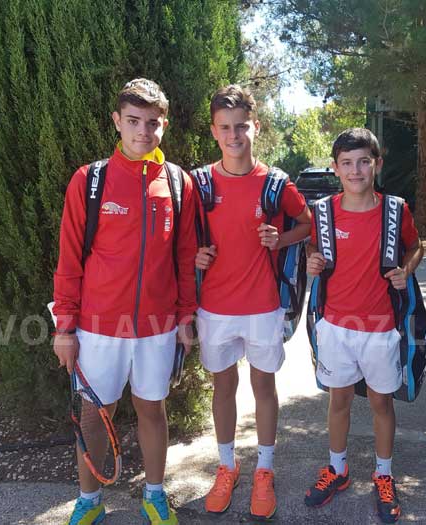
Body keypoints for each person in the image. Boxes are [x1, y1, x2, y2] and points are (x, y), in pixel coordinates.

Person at [52, 78, 197, 525]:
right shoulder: (89, 180)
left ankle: (154, 495)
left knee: (152, 409)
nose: (143, 131)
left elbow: (186, 257)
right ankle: (89, 500)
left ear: (164, 125)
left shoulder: (178, 183)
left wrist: (185, 317)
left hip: (157, 326)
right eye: (133, 121)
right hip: (98, 327)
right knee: (95, 415)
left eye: (152, 122)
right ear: (117, 121)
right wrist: (65, 328)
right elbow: (69, 258)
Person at [194, 85, 311, 520]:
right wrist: (194, 256)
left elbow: (308, 224)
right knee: (223, 387)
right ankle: (227, 466)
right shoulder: (200, 183)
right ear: (213, 131)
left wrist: (282, 238)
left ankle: (264, 469)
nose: (234, 135)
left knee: (264, 387)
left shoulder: (276, 183)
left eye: (241, 126)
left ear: (255, 126)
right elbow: (182, 238)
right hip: (214, 308)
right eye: (225, 127)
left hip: (264, 306)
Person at [304, 127, 423, 523]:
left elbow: (415, 246)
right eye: (347, 163)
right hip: (335, 326)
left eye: (363, 162)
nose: (355, 170)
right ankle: (337, 469)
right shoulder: (323, 211)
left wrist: (407, 269)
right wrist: (312, 258)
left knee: (381, 403)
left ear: (377, 164)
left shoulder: (395, 210)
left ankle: (383, 474)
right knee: (338, 400)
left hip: (381, 327)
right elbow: (313, 246)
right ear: (336, 168)